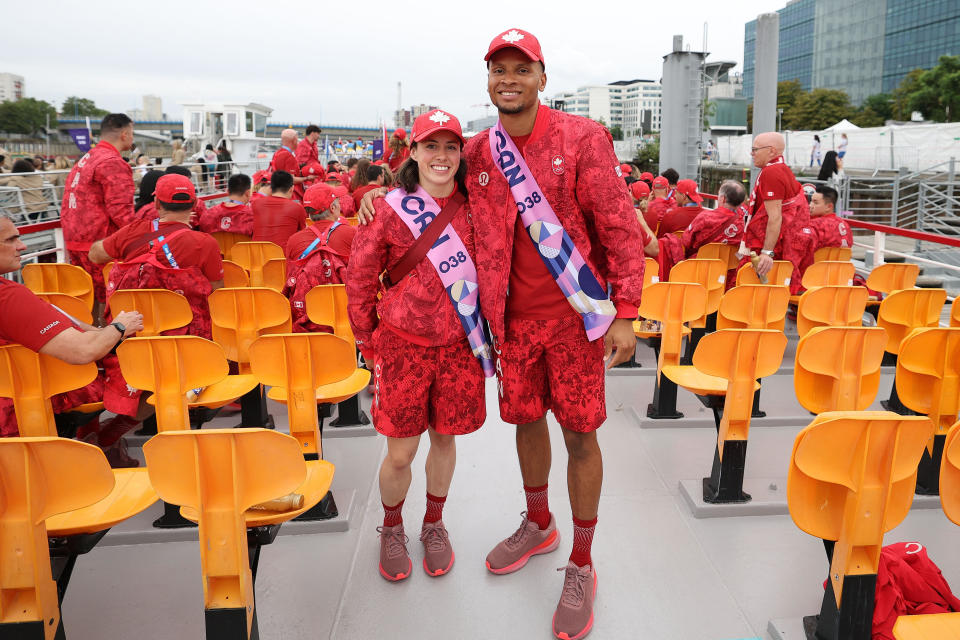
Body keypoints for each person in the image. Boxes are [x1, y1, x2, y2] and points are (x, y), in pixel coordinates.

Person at [365, 29, 647, 639]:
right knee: (525, 423)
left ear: (543, 77)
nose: (509, 79)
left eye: (522, 68)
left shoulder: (582, 138)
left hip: (575, 322)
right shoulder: (478, 151)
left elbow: (622, 227)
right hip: (510, 327)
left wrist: (626, 310)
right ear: (488, 79)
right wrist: (371, 199)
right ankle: (539, 521)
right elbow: (422, 180)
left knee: (581, 438)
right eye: (499, 69)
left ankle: (582, 560)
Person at [346, 109, 492, 584]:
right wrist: (369, 342)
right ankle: (391, 527)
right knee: (401, 454)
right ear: (413, 152)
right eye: (432, 146)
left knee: (445, 439)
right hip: (403, 348)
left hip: (459, 348)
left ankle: (433, 522)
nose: (442, 156)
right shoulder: (387, 208)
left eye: (451, 147)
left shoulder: (479, 208)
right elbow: (360, 279)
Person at [0, 213, 145, 465]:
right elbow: (83, 352)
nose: (22, 246)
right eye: (11, 240)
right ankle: (101, 442)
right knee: (146, 373)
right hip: (22, 405)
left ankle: (93, 440)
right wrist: (121, 325)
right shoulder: (9, 297)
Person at [89, 175, 223, 433]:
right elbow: (216, 292)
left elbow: (95, 253)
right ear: (194, 205)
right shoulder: (204, 243)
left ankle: (114, 430)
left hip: (130, 333)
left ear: (157, 205)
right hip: (184, 342)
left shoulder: (134, 231)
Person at [60, 113, 137, 322]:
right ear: (125, 134)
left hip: (75, 242)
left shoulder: (86, 159)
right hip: (101, 245)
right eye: (132, 133)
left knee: (87, 304)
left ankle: (90, 346)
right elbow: (122, 212)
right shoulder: (113, 162)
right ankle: (108, 348)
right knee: (109, 303)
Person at [742, 131, 812, 293]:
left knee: (757, 294)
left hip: (772, 246)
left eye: (755, 149)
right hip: (785, 243)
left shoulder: (771, 173)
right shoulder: (782, 169)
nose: (752, 153)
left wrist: (767, 252)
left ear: (771, 151)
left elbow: (775, 217)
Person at [284, 183, 356, 332]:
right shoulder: (352, 234)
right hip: (348, 317)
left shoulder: (294, 240)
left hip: (310, 319)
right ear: (332, 208)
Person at [657, 179, 746, 281]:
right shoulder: (743, 224)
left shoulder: (706, 217)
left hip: (698, 270)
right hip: (726, 275)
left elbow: (685, 242)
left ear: (723, 199)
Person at [251, 170, 307, 248]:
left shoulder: (255, 204)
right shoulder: (297, 208)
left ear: (271, 187)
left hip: (257, 255)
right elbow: (303, 233)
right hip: (283, 257)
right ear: (292, 188)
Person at [808, 184, 852, 250]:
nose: (810, 205)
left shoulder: (815, 224)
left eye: (815, 203)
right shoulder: (845, 224)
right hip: (842, 259)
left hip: (819, 259)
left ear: (829, 207)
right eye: (811, 201)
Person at [270, 129, 309, 201]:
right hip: (292, 194)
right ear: (294, 140)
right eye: (297, 140)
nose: (297, 143)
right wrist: (307, 178)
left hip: (279, 191)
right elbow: (291, 179)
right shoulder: (288, 156)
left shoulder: (277, 153)